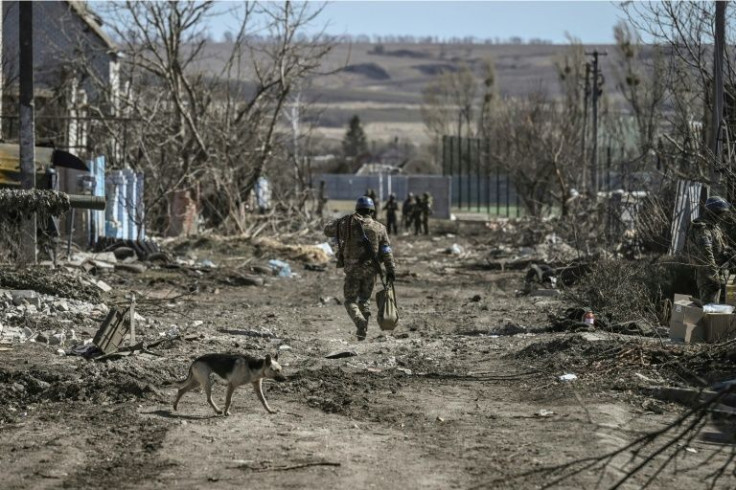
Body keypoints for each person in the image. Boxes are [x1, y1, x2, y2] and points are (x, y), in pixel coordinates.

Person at [324, 196, 397, 341]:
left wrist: (340, 221)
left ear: (357, 209)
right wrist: (391, 270)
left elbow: (327, 230)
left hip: (352, 270)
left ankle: (359, 321)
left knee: (350, 300)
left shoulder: (347, 224)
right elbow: (386, 251)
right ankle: (362, 331)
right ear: (372, 211)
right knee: (364, 300)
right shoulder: (380, 228)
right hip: (371, 270)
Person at [686, 196, 733, 305]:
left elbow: (718, 246)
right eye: (721, 213)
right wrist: (713, 278)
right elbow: (707, 256)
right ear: (714, 213)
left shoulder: (713, 226)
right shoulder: (702, 229)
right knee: (710, 310)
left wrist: (727, 252)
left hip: (717, 274)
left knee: (717, 310)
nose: (723, 217)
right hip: (708, 277)